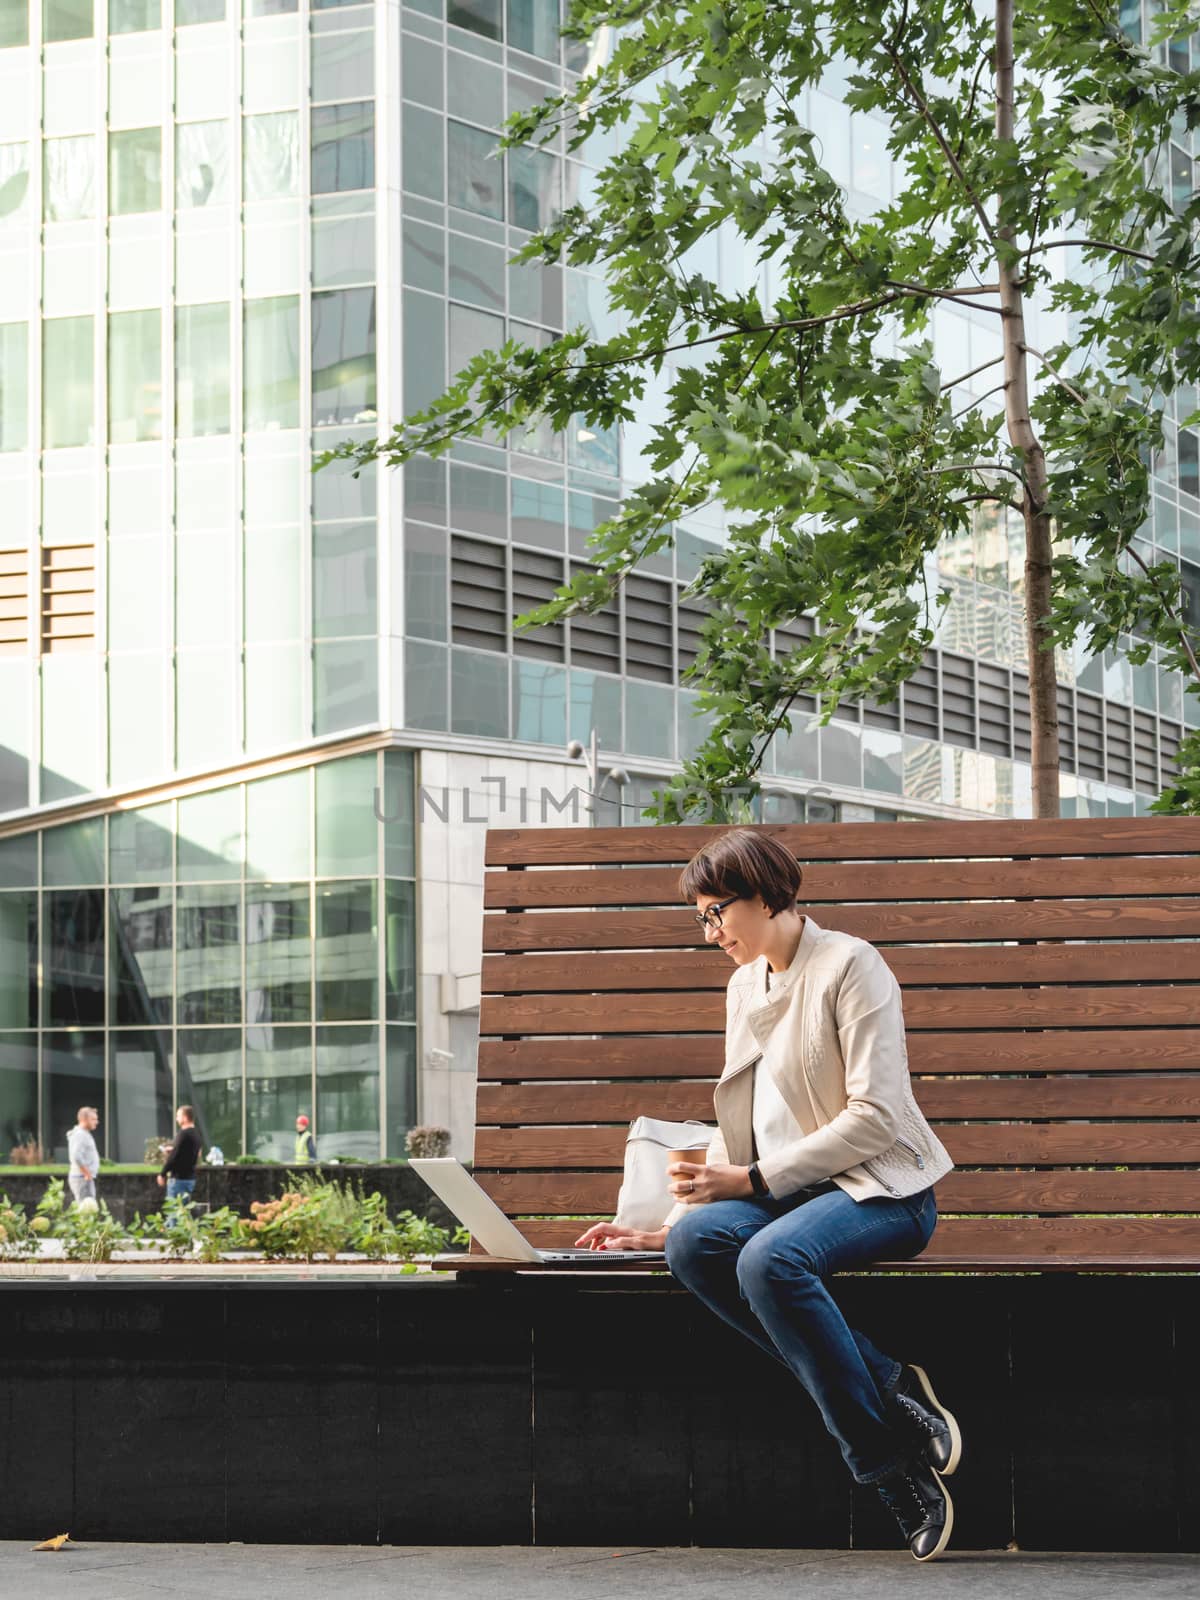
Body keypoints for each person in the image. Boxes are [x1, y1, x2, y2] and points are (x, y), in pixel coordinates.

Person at [576, 828, 962, 1562]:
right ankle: (888, 1382)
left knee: (767, 1264)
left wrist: (750, 1182)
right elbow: (738, 1117)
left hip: (886, 1188)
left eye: (717, 911)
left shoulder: (851, 965)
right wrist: (672, 1223)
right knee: (694, 1247)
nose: (711, 930)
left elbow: (877, 1118)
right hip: (792, 1195)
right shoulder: (744, 983)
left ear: (766, 893)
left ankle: (885, 1470)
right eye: (701, 918)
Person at [157, 1106, 202, 1202]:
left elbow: (174, 1157)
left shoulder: (183, 1134)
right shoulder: (196, 1134)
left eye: (178, 1116)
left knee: (174, 1214)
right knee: (184, 1212)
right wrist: (174, 1149)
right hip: (190, 1179)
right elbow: (196, 1154)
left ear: (185, 1118)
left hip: (178, 1180)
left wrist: (162, 1174)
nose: (176, 1118)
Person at [67, 1106, 101, 1204]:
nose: (96, 1122)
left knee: (87, 1210)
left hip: (83, 1177)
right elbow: (76, 1156)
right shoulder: (80, 1135)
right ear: (84, 1120)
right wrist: (87, 1174)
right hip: (82, 1178)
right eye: (93, 1119)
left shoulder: (83, 1134)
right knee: (86, 1211)